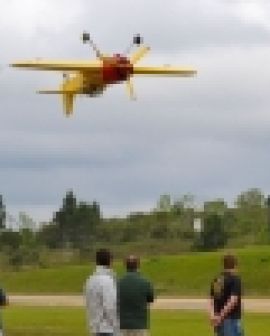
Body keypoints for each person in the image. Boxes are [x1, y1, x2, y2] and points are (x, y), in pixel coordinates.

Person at [84, 249, 118, 336]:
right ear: (110, 261)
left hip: (94, 326)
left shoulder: (90, 280)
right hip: (106, 328)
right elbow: (110, 306)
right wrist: (116, 325)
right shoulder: (107, 280)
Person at [118, 255, 154, 336]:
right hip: (140, 325)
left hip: (122, 325)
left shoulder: (118, 283)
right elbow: (150, 299)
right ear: (138, 265)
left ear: (125, 266)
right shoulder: (145, 282)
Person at [209, 254, 243, 336]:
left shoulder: (217, 280)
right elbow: (232, 300)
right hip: (231, 319)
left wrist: (213, 315)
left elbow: (212, 300)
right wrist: (221, 316)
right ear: (235, 265)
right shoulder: (235, 279)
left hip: (218, 320)